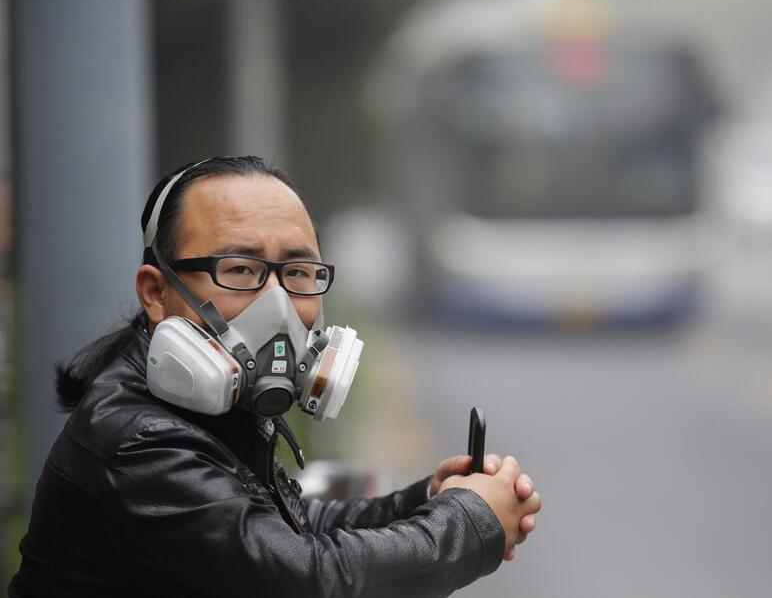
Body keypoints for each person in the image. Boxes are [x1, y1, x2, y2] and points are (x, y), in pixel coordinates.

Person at [9, 156, 541, 597]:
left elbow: (283, 527)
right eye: (240, 270)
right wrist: (469, 522)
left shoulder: (204, 410)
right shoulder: (139, 442)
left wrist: (427, 499)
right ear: (156, 292)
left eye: (297, 272)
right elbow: (305, 580)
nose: (278, 303)